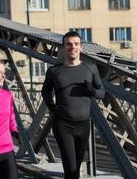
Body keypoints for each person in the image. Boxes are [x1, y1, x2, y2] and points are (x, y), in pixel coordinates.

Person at [42, 31, 105, 179]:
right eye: (69, 44)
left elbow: (102, 92)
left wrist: (92, 91)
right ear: (63, 47)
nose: (73, 47)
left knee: (76, 169)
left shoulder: (90, 68)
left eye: (76, 44)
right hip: (63, 124)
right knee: (70, 168)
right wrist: (52, 107)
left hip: (83, 125)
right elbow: (45, 91)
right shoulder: (54, 71)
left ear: (81, 47)